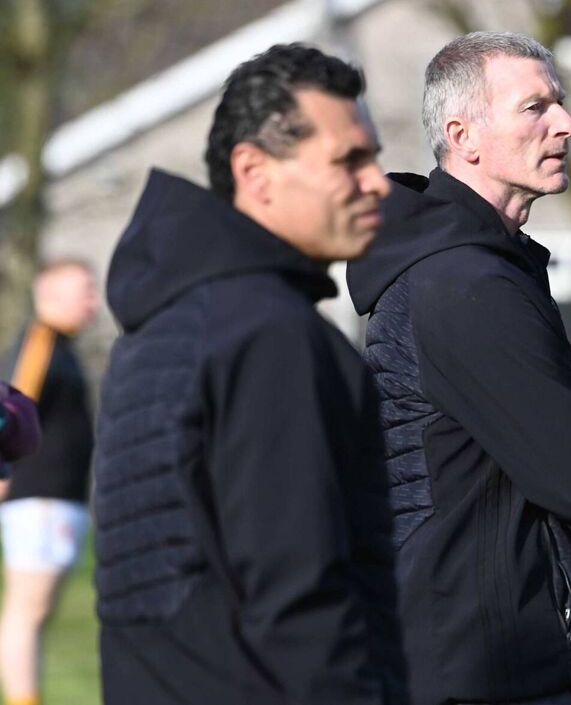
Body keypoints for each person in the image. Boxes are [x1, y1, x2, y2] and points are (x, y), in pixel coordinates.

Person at [346, 31, 571, 705]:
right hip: (491, 673)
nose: (566, 122)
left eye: (562, 103)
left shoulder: (491, 268)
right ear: (465, 135)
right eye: (535, 106)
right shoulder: (464, 285)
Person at [92, 43, 401, 704]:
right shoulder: (270, 333)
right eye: (350, 159)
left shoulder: (159, 327)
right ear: (255, 172)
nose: (377, 180)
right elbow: (302, 597)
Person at [0, 259, 97, 705]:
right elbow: (9, 412)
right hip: (38, 499)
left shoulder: (64, 347)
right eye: (84, 291)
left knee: (32, 612)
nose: (93, 301)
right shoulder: (40, 341)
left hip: (54, 499)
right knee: (26, 611)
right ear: (51, 295)